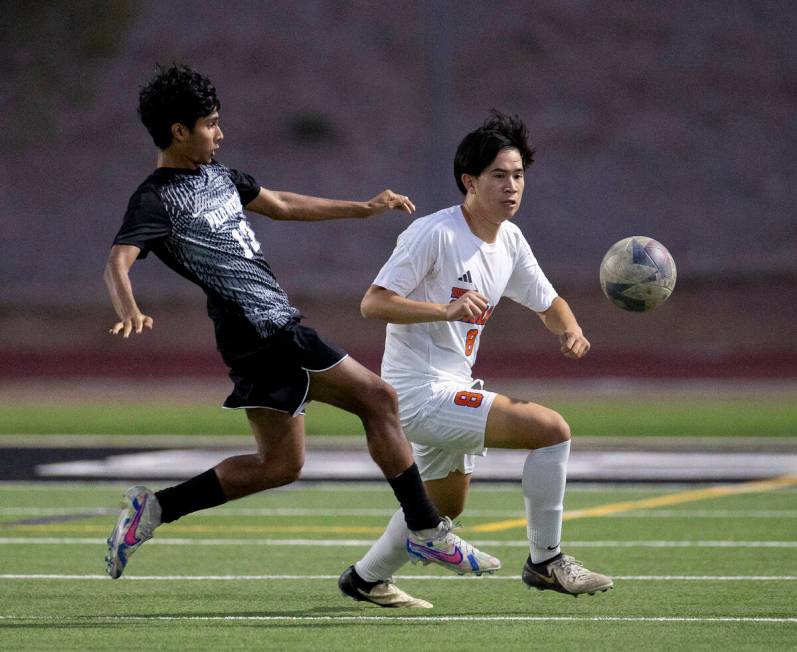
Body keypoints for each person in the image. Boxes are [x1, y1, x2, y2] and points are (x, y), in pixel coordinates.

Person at [103, 64, 496, 594]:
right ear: (179, 131)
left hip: (252, 340)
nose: (220, 134)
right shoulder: (155, 198)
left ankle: (154, 508)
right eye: (211, 124)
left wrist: (363, 208)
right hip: (266, 330)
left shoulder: (222, 177)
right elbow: (119, 260)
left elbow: (284, 205)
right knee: (378, 398)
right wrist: (128, 305)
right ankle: (425, 528)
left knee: (280, 465)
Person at [338, 111, 613, 608]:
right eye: (499, 176)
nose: (512, 186)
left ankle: (364, 578)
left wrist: (570, 328)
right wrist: (444, 308)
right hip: (418, 393)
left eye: (519, 175)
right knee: (551, 429)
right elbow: (372, 302)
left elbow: (549, 303)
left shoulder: (509, 239)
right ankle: (546, 561)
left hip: (452, 383)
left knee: (443, 504)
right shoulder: (434, 233)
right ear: (470, 181)